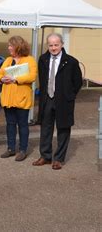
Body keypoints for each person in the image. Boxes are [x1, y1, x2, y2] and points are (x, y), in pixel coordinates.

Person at [32, 33, 82, 170]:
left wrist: (69, 95)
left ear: (62, 44)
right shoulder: (43, 59)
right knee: (45, 128)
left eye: (56, 45)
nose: (53, 48)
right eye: (50, 45)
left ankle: (59, 159)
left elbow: (77, 82)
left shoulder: (71, 61)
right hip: (47, 99)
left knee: (63, 128)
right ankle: (45, 156)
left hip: (64, 100)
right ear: (47, 46)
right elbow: (42, 79)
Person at [0, 36, 37, 162]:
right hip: (8, 98)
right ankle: (11, 148)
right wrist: (2, 79)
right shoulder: (8, 60)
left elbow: (32, 76)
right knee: (10, 124)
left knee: (23, 125)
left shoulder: (29, 60)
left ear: (18, 46)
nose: (9, 48)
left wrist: (15, 79)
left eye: (11, 46)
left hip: (22, 98)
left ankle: (23, 150)